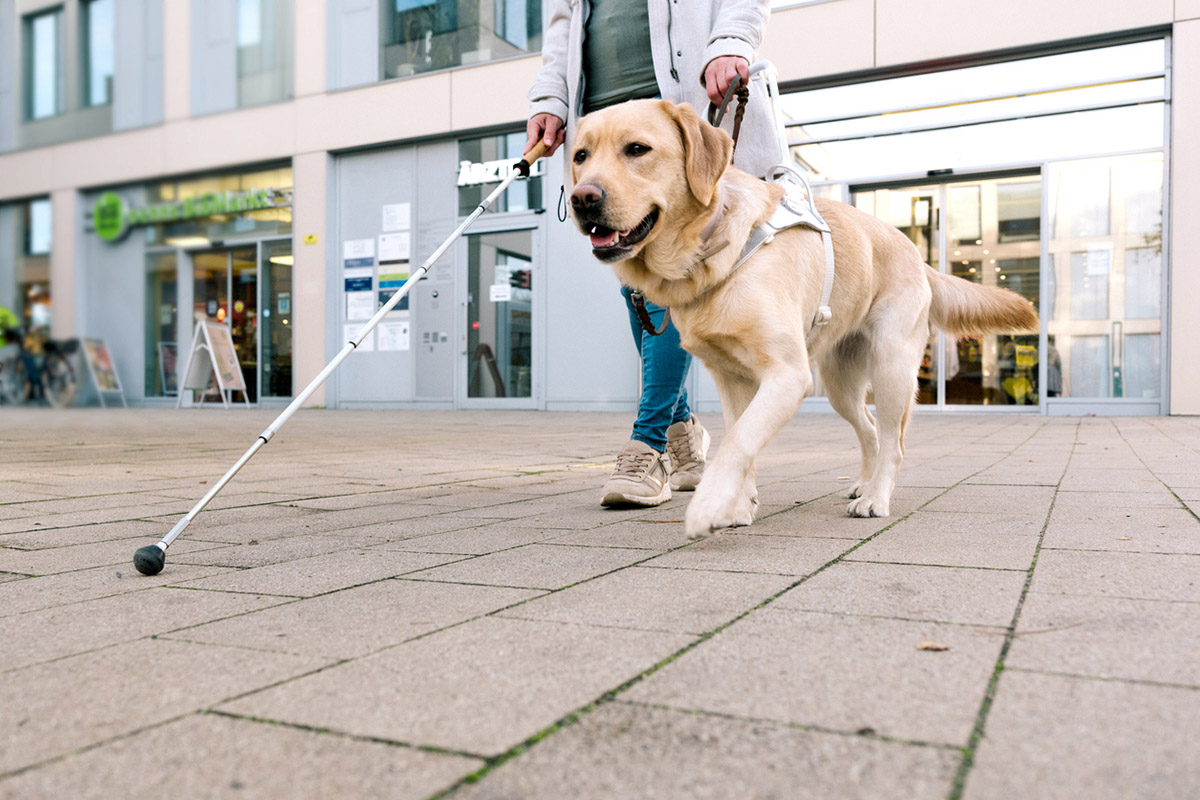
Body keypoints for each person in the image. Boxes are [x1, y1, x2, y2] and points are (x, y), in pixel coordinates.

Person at [526, 0, 778, 508]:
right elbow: (561, 26)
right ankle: (683, 432)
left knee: (671, 277)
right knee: (639, 289)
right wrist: (551, 96)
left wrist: (730, 42)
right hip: (597, 111)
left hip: (680, 99)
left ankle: (649, 442)